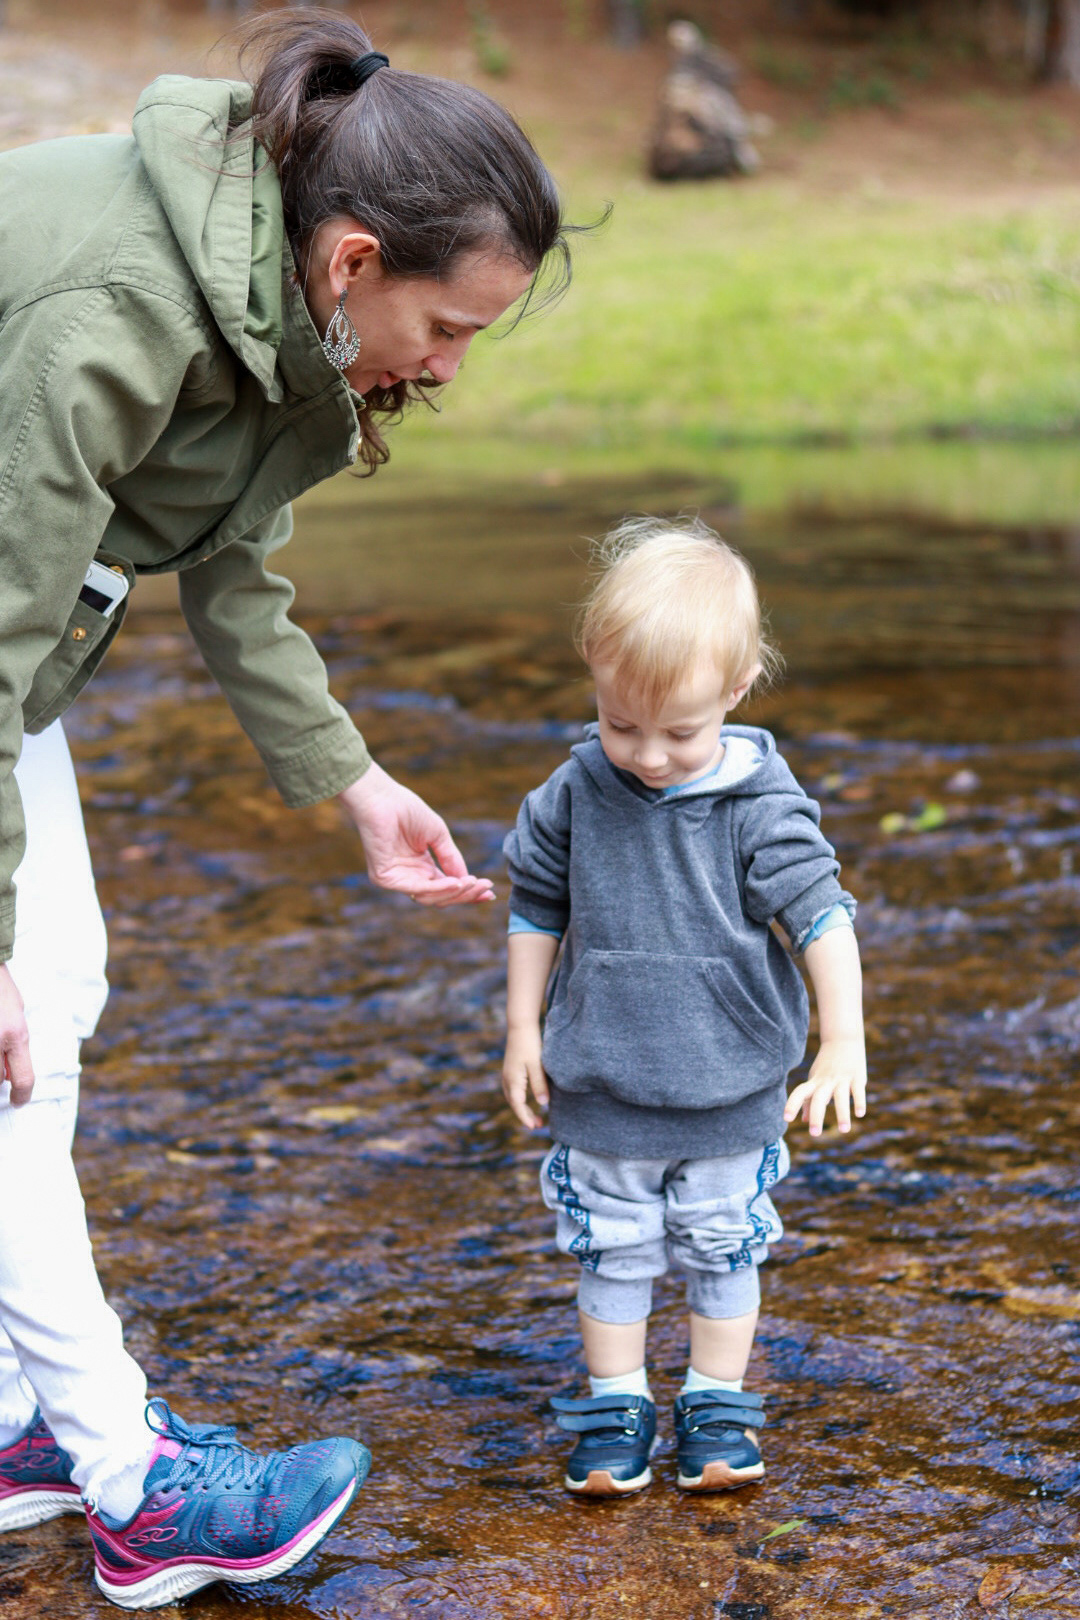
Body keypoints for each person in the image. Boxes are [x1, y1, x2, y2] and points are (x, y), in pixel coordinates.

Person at [0, 9, 575, 1609]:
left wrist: (355, 782)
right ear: (355, 258)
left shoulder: (262, 297)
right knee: (12, 1039)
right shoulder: (116, 311)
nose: (446, 368)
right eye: (446, 327)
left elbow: (233, 567)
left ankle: (17, 1424)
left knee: (58, 991)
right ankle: (135, 1488)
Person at [501, 517, 868, 1497]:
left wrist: (842, 1041)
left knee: (724, 1247)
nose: (650, 756)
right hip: (603, 1085)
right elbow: (536, 905)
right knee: (612, 1253)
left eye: (680, 732)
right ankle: (616, 1412)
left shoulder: (758, 804)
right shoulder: (577, 789)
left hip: (730, 1090)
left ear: (736, 692)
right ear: (594, 675)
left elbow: (822, 916)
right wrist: (522, 1028)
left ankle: (715, 1407)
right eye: (621, 724)